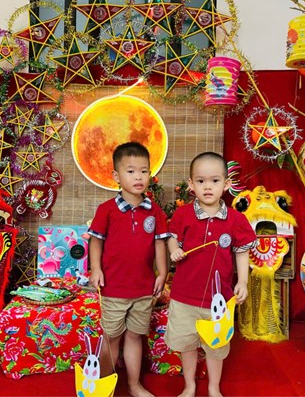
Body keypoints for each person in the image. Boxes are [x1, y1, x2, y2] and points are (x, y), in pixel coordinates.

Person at [165, 152, 257, 397]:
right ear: (191, 184)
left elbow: (242, 251)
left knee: (216, 347)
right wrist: (174, 250)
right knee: (187, 344)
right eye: (201, 181)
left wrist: (243, 281)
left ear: (226, 184)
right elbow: (172, 238)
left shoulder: (236, 219)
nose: (208, 187)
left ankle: (213, 387)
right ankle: (190, 385)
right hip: (184, 297)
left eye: (215, 181)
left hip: (219, 300)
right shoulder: (183, 214)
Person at [88, 141, 168, 397]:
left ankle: (134, 385)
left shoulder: (155, 212)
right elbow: (96, 241)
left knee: (134, 336)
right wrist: (95, 269)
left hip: (143, 289)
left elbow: (160, 244)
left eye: (143, 171)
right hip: (114, 288)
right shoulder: (107, 210)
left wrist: (162, 273)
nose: (138, 177)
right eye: (131, 171)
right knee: (111, 338)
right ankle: (103, 388)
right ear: (116, 176)